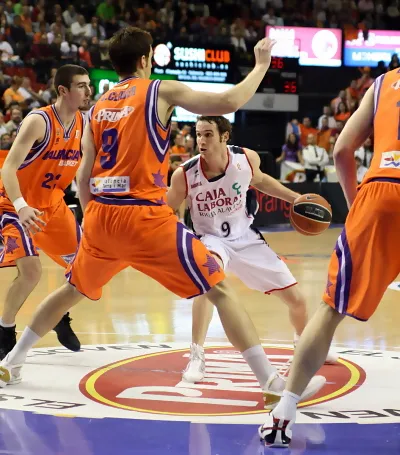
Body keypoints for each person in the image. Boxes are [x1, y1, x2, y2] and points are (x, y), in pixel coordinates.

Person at [0, 28, 325, 408]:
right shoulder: (159, 90)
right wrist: (261, 66)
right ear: (145, 59)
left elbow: (84, 176)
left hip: (101, 215)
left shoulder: (98, 108)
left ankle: (12, 361)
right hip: (143, 216)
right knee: (219, 290)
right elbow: (228, 100)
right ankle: (271, 383)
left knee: (71, 290)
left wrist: (93, 224)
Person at [259, 67, 400, 447]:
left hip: (381, 193)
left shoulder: (384, 83)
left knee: (330, 309)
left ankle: (284, 412)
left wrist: (357, 207)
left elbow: (341, 150)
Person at [166, 116, 337, 384]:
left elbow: (261, 181)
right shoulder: (185, 174)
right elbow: (166, 209)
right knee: (207, 280)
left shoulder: (245, 159)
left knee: (298, 300)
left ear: (224, 136)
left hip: (246, 238)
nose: (201, 140)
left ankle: (303, 344)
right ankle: (196, 355)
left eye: (208, 134)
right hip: (211, 239)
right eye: (198, 134)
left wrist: (295, 198)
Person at [0, 64, 91, 360]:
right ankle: (4, 331)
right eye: (81, 85)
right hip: (16, 204)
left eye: (88, 85)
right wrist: (21, 206)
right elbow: (8, 168)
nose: (88, 91)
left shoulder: (85, 124)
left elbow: (84, 172)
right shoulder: (39, 121)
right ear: (63, 90)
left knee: (84, 267)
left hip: (53, 204)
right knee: (31, 272)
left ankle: (57, 314)